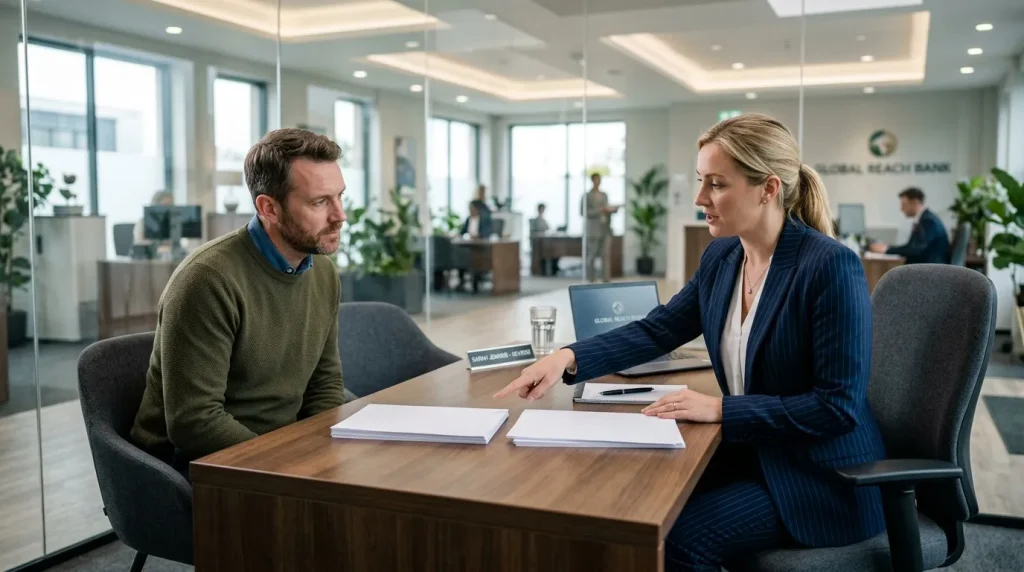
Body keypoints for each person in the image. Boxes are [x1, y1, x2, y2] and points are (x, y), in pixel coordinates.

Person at [495, 113, 886, 571]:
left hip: (821, 477)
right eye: (702, 181)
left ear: (769, 188)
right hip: (753, 453)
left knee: (680, 538)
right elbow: (659, 328)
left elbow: (837, 407)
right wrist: (568, 356)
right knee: (627, 496)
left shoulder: (828, 266)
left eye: (717, 184)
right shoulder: (723, 256)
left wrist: (721, 409)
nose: (701, 198)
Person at [130, 128, 356, 479]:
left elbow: (324, 384)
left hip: (279, 449)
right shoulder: (207, 279)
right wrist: (289, 467)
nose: (340, 215)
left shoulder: (322, 272)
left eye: (340, 196)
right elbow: (195, 423)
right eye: (319, 202)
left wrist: (316, 453)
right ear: (269, 208)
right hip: (200, 467)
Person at [868, 187, 950, 263]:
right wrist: (887, 248)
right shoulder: (924, 219)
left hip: (931, 269)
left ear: (914, 202)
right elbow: (910, 247)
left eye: (904, 204)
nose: (901, 209)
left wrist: (886, 250)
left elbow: (914, 250)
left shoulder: (929, 221)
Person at [582, 173, 619, 282]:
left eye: (599, 179)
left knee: (605, 256)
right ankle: (591, 278)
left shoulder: (604, 195)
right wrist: (599, 210)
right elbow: (583, 212)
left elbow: (607, 208)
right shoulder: (587, 196)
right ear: (592, 180)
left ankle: (606, 279)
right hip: (593, 230)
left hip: (605, 229)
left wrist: (611, 210)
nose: (597, 181)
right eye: (596, 179)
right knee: (591, 256)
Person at [530, 203, 558, 275]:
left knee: (555, 251)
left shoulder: (543, 219)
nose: (543, 211)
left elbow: (548, 228)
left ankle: (554, 270)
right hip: (538, 243)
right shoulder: (534, 220)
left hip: (545, 241)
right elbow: (533, 232)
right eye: (542, 209)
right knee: (547, 252)